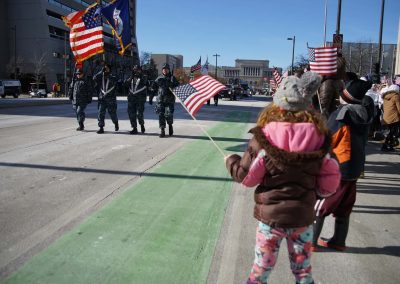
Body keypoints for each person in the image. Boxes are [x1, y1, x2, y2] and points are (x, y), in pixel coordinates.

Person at [225, 72, 341, 284]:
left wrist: (230, 161)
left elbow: (247, 178)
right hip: (302, 218)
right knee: (303, 271)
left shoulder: (265, 134)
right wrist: (318, 192)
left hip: (270, 219)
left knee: (261, 269)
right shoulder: (319, 136)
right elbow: (331, 179)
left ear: (277, 104)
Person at [313, 79, 374, 252]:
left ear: (346, 97)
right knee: (345, 206)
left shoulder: (342, 115)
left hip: (339, 166)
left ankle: (310, 241)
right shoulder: (365, 113)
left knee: (321, 204)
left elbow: (329, 139)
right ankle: (338, 240)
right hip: (355, 167)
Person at [152, 63, 179, 137]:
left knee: (169, 115)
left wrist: (172, 83)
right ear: (162, 70)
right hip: (160, 100)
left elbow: (177, 87)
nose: (165, 70)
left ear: (168, 70)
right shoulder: (159, 78)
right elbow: (153, 87)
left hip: (169, 100)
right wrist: (151, 97)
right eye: (163, 69)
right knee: (161, 115)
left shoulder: (172, 78)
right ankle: (162, 130)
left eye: (166, 69)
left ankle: (170, 125)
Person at [93, 63, 119, 134]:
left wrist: (108, 74)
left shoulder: (113, 76)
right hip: (102, 99)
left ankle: (116, 123)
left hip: (111, 99)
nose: (105, 69)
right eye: (104, 68)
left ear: (110, 69)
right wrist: (101, 72)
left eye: (107, 68)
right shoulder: (101, 77)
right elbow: (94, 78)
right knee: (101, 113)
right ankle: (101, 128)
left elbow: (114, 80)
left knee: (112, 114)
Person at [125, 65, 148, 134]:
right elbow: (125, 84)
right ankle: (134, 128)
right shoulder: (131, 77)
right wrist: (131, 77)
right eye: (135, 70)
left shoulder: (144, 77)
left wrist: (140, 76)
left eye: (138, 70)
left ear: (141, 70)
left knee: (139, 114)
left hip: (140, 99)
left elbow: (145, 82)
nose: (136, 71)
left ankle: (142, 125)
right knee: (131, 114)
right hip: (131, 99)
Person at [381, 84, 400, 151]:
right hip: (394, 117)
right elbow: (399, 108)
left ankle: (389, 146)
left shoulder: (386, 96)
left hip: (386, 116)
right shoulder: (396, 96)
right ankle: (385, 146)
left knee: (390, 132)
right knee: (392, 132)